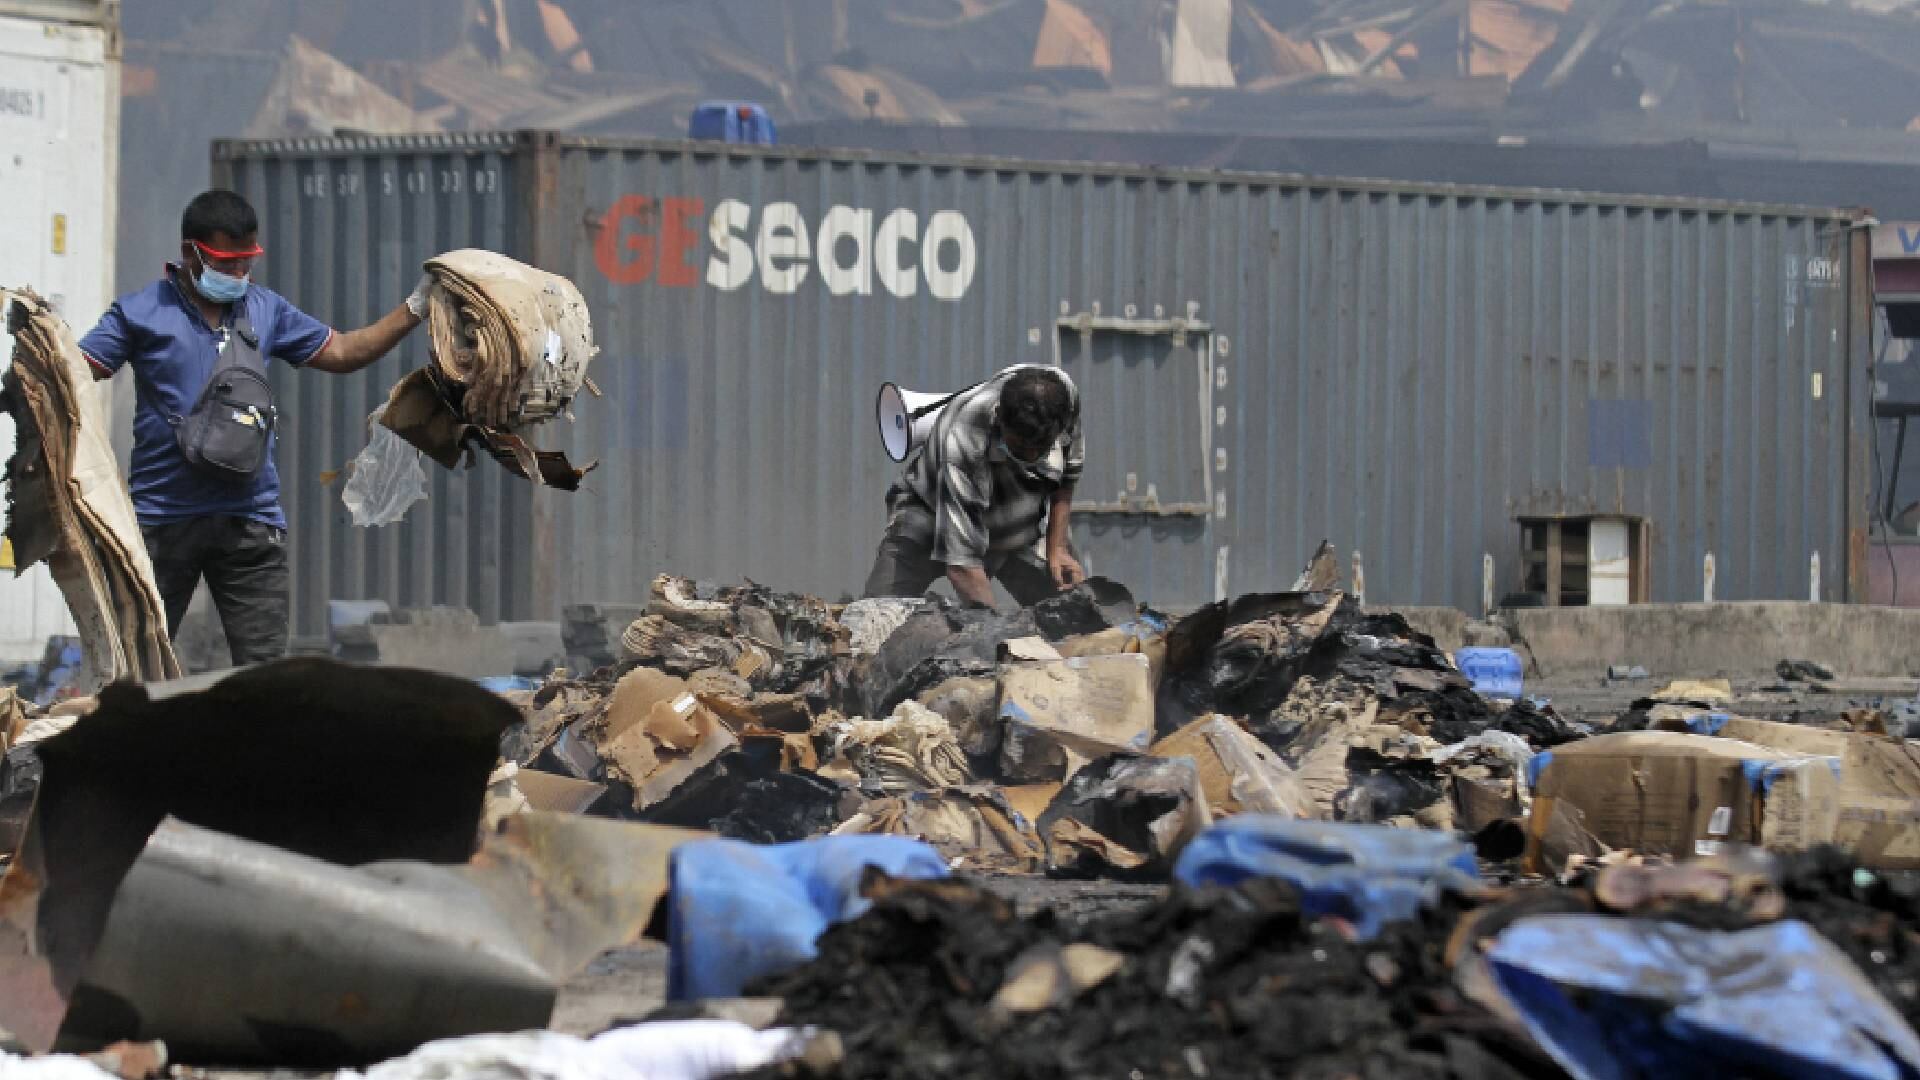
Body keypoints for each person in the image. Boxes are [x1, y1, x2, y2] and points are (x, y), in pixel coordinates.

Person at [80, 189, 433, 665]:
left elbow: (346, 351)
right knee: (135, 668)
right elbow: (73, 373)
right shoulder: (140, 313)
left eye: (247, 263)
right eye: (227, 264)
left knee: (266, 677)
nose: (239, 276)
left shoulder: (266, 310)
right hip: (162, 524)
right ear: (191, 253)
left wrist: (416, 308)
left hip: (251, 523)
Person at [863, 364, 1085, 609]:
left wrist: (1058, 548)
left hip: (1014, 515)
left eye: (1040, 448)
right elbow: (962, 567)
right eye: (1021, 447)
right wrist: (993, 635)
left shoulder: (1062, 397)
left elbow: (1067, 478)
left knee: (1073, 613)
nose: (1032, 455)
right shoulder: (962, 438)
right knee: (876, 617)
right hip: (929, 510)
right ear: (999, 417)